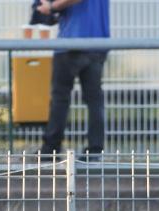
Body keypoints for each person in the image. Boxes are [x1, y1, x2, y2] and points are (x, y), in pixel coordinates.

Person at [37, 0, 109, 158]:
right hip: (97, 42)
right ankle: (95, 150)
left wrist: (52, 7)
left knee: (60, 98)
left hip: (70, 42)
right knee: (94, 100)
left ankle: (51, 149)